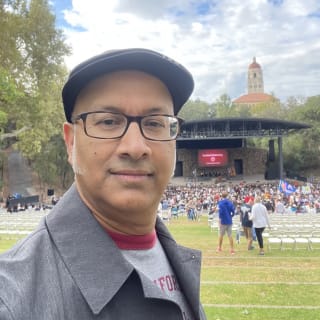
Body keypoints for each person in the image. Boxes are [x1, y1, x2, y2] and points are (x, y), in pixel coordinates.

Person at [0, 48, 206, 320]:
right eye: (108, 121)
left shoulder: (176, 260)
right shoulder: (12, 299)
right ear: (71, 142)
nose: (135, 147)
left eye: (155, 123)